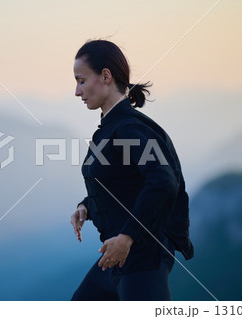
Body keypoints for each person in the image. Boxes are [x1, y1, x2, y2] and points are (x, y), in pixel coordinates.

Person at [70, 40, 194, 301]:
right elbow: (123, 182)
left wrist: (127, 237)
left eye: (81, 81)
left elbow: (162, 182)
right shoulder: (110, 129)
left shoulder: (129, 128)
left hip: (143, 258)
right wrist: (87, 206)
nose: (77, 91)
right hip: (117, 257)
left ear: (105, 76)